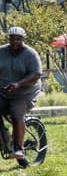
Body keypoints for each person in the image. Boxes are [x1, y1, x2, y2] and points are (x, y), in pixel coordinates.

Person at [0, 26, 42, 160]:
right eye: (12, 39)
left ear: (23, 39)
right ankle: (5, 137)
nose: (15, 42)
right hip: (4, 90)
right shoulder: (2, 51)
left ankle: (18, 147)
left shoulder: (30, 54)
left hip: (25, 93)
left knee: (16, 113)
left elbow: (36, 75)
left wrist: (18, 84)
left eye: (18, 39)